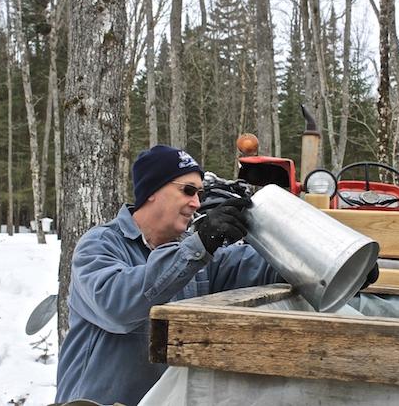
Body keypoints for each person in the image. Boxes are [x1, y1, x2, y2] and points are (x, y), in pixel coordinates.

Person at [55, 145, 286, 406]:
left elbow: (263, 267)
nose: (196, 203)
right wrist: (200, 244)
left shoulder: (196, 254)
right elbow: (117, 306)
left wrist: (273, 229)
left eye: (199, 194)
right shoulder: (100, 244)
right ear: (152, 191)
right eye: (187, 190)